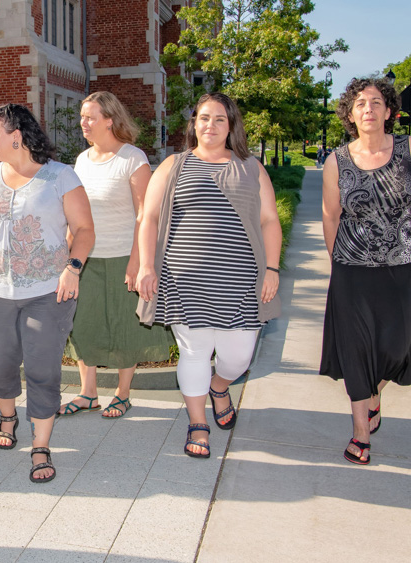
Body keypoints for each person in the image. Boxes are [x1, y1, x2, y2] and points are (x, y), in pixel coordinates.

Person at [320, 78, 411, 465]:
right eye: (361, 103)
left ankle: (375, 392)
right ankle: (360, 432)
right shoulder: (337, 161)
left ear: (389, 111)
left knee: (397, 349)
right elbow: (331, 215)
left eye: (377, 102)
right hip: (352, 269)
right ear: (350, 114)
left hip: (402, 267)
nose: (369, 108)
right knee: (356, 352)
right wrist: (337, 263)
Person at [136, 93, 282, 460]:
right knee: (194, 352)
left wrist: (273, 269)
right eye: (203, 118)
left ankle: (220, 387)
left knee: (238, 357)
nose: (210, 125)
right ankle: (197, 422)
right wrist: (146, 266)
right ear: (194, 124)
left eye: (219, 119)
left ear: (231, 125)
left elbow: (269, 220)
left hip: (240, 281)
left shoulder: (251, 167)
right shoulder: (174, 165)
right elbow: (149, 217)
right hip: (184, 279)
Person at [0, 104, 95, 483]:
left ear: (15, 136)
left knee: (41, 368)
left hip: (49, 291)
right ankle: (7, 415)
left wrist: (73, 268)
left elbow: (84, 230)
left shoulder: (60, 177)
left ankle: (40, 445)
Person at [59, 91, 173, 420]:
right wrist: (66, 256)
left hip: (125, 256)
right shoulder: (81, 161)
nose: (83, 122)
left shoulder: (132, 158)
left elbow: (145, 215)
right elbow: (76, 216)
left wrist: (139, 261)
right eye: (82, 116)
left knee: (125, 325)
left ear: (109, 120)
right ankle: (88, 393)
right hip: (88, 260)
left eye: (90, 116)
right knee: (84, 323)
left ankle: (123, 394)